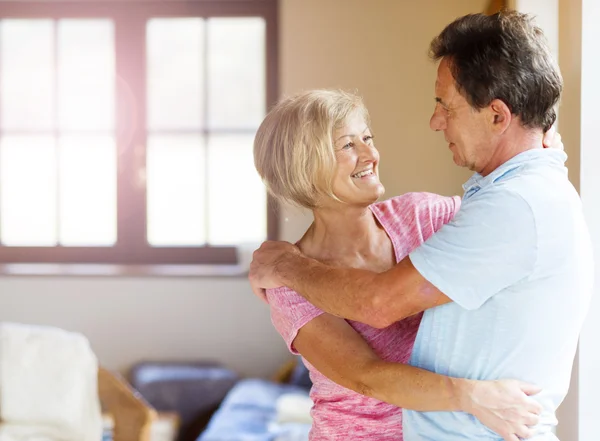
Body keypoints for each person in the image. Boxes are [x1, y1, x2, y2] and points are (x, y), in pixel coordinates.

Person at [249, 11, 593, 441]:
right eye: (347, 144)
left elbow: (496, 220)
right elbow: (367, 377)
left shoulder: (423, 217)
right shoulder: (288, 288)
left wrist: (538, 146)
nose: (370, 154)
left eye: (368, 138)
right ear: (305, 168)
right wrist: (472, 396)